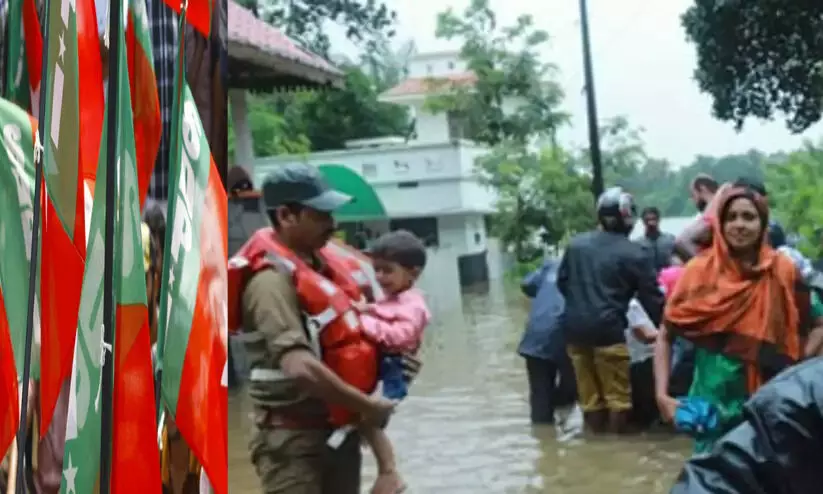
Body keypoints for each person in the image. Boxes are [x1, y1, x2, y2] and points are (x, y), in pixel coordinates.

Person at [230, 163, 395, 494]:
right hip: (293, 444)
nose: (332, 225)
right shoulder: (269, 283)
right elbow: (299, 367)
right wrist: (368, 408)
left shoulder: (324, 269)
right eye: (320, 215)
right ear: (287, 216)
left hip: (340, 431)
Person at [653, 185, 822, 455]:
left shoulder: (783, 271)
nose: (739, 225)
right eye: (731, 217)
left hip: (770, 402)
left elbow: (819, 324)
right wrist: (662, 396)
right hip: (712, 405)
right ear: (719, 224)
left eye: (748, 217)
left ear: (762, 223)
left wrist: (796, 367)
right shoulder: (698, 272)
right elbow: (665, 335)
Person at [558, 187, 664, 434]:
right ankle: (616, 448)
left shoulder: (575, 246)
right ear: (627, 217)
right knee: (619, 399)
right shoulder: (635, 252)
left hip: (574, 331)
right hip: (608, 331)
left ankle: (594, 445)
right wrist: (669, 331)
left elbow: (563, 283)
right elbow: (652, 300)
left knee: (590, 398)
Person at [352, 229, 432, 494]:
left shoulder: (414, 305)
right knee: (366, 419)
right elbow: (385, 311)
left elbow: (399, 336)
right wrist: (371, 308)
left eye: (387, 271)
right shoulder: (397, 298)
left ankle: (389, 473)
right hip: (388, 368)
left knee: (371, 418)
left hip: (395, 371)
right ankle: (385, 471)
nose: (380, 277)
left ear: (413, 273)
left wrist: (363, 322)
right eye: (377, 270)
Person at [670, 357, 823, 494]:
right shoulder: (798, 402)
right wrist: (661, 395)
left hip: (747, 393)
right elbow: (720, 479)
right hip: (719, 395)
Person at [517, 260, 580, 433]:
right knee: (574, 386)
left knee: (539, 397)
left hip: (535, 336)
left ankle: (544, 443)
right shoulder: (588, 266)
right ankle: (562, 424)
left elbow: (527, 285)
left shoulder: (551, 266)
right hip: (567, 334)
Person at [625, 299, 660, 428]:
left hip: (630, 358)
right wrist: (667, 333)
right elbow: (645, 335)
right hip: (641, 359)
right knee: (646, 411)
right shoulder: (631, 304)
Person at [635, 207, 676, 272]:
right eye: (647, 220)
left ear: (658, 220)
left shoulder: (670, 240)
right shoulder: (637, 244)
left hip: (667, 277)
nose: (651, 223)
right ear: (643, 221)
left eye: (653, 219)